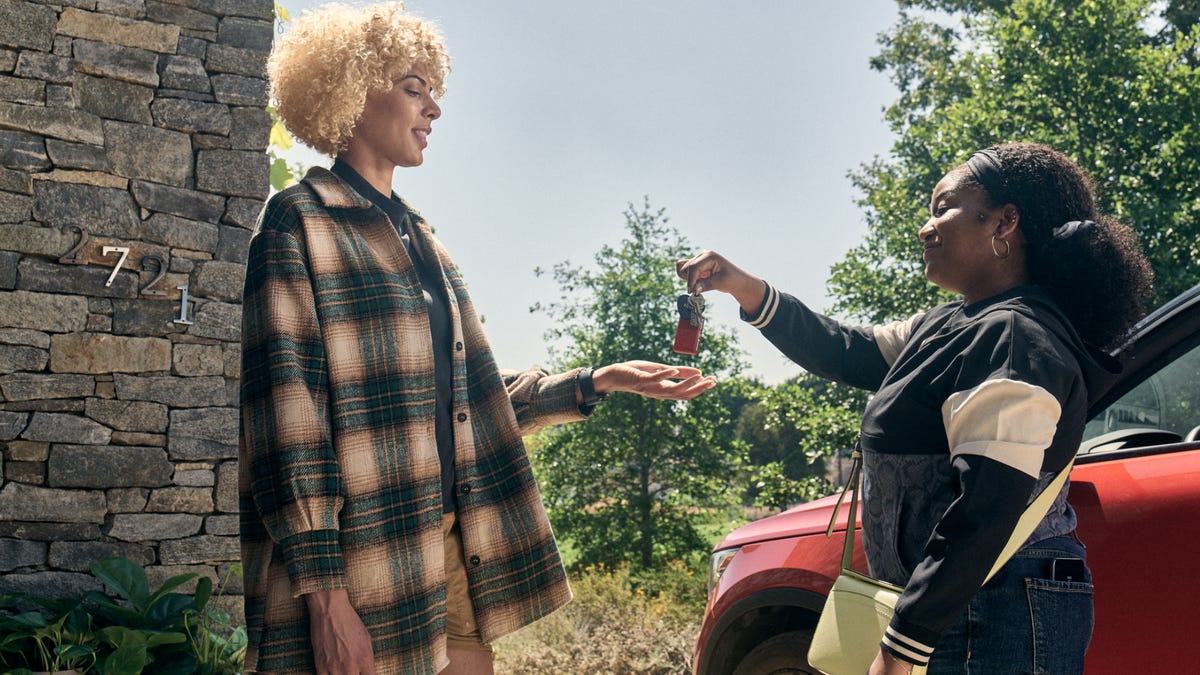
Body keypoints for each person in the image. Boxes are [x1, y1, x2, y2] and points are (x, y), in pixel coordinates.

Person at [239, 4, 716, 674]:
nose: (433, 108)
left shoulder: (424, 239)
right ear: (349, 90)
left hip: (454, 544)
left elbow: (470, 401)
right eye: (413, 88)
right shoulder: (299, 223)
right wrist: (326, 599)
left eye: (435, 91)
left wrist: (595, 380)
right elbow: (288, 426)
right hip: (362, 558)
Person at [677, 142, 1152, 675]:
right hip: (961, 610)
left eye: (943, 207)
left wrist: (901, 648)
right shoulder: (951, 324)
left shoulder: (1014, 336)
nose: (926, 228)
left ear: (1004, 222)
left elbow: (987, 508)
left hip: (993, 615)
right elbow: (845, 349)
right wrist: (745, 288)